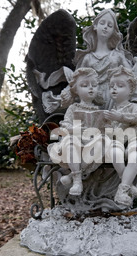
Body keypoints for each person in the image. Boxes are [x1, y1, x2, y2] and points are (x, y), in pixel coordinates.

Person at [47, 68, 109, 196]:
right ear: (76, 89)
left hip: (93, 143)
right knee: (70, 141)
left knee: (101, 143)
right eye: (84, 85)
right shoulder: (73, 108)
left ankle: (72, 176)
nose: (90, 88)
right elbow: (65, 126)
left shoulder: (100, 110)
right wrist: (75, 130)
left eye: (94, 85)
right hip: (76, 142)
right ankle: (77, 180)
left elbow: (105, 129)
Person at [103, 66, 137, 207]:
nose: (114, 89)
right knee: (114, 152)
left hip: (134, 139)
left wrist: (120, 117)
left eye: (120, 86)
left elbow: (135, 118)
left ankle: (122, 190)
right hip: (118, 142)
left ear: (131, 90)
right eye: (111, 86)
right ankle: (127, 184)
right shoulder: (111, 112)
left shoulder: (134, 107)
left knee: (136, 155)